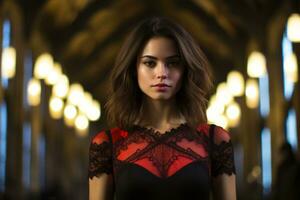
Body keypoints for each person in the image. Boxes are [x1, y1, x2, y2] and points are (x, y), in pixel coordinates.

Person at [88, 17, 236, 200]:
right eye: (150, 63)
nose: (161, 73)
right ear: (134, 69)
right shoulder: (107, 144)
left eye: (172, 63)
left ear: (186, 69)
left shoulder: (215, 140)